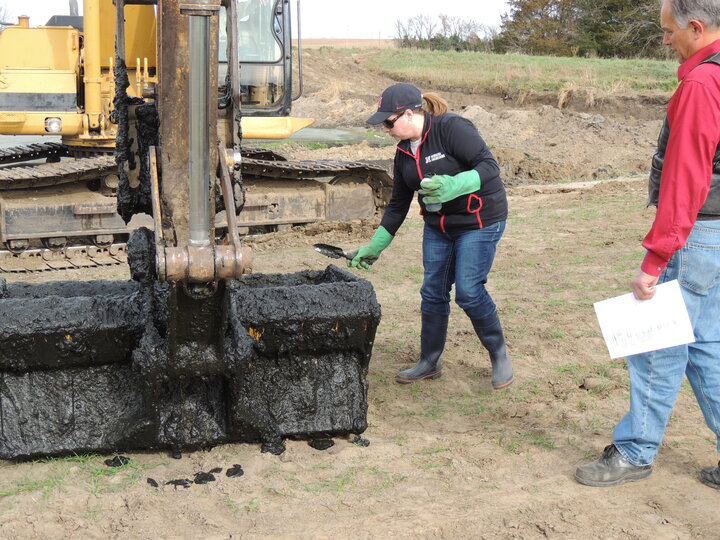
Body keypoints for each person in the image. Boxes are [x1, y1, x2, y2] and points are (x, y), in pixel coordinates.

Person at [575, 0, 720, 489]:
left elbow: (686, 178)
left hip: (697, 237)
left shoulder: (702, 83)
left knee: (657, 343)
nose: (665, 41)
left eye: (668, 31)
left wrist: (655, 260)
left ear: (695, 27)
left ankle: (636, 451)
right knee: (707, 348)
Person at [347, 82, 513, 389]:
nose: (385, 128)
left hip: (480, 221)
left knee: (468, 291)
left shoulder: (452, 129)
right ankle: (429, 361)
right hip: (439, 227)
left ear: (408, 114)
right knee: (432, 293)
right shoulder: (403, 153)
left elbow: (490, 166)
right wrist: (375, 246)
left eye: (388, 121)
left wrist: (454, 185)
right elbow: (397, 205)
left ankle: (498, 353)